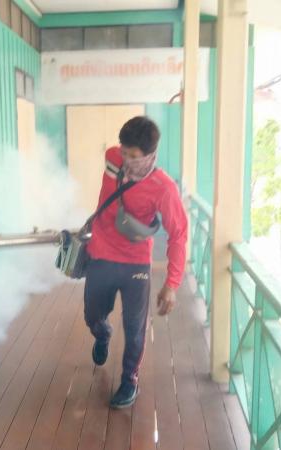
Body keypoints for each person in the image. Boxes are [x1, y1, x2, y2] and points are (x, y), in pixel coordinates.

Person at [84, 115, 188, 409]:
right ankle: (102, 333)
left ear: (150, 154)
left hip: (136, 262)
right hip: (100, 253)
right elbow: (117, 160)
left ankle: (130, 379)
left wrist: (172, 284)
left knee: (135, 326)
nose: (126, 159)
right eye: (124, 151)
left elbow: (178, 234)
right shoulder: (112, 157)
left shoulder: (164, 188)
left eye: (133, 155)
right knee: (92, 315)